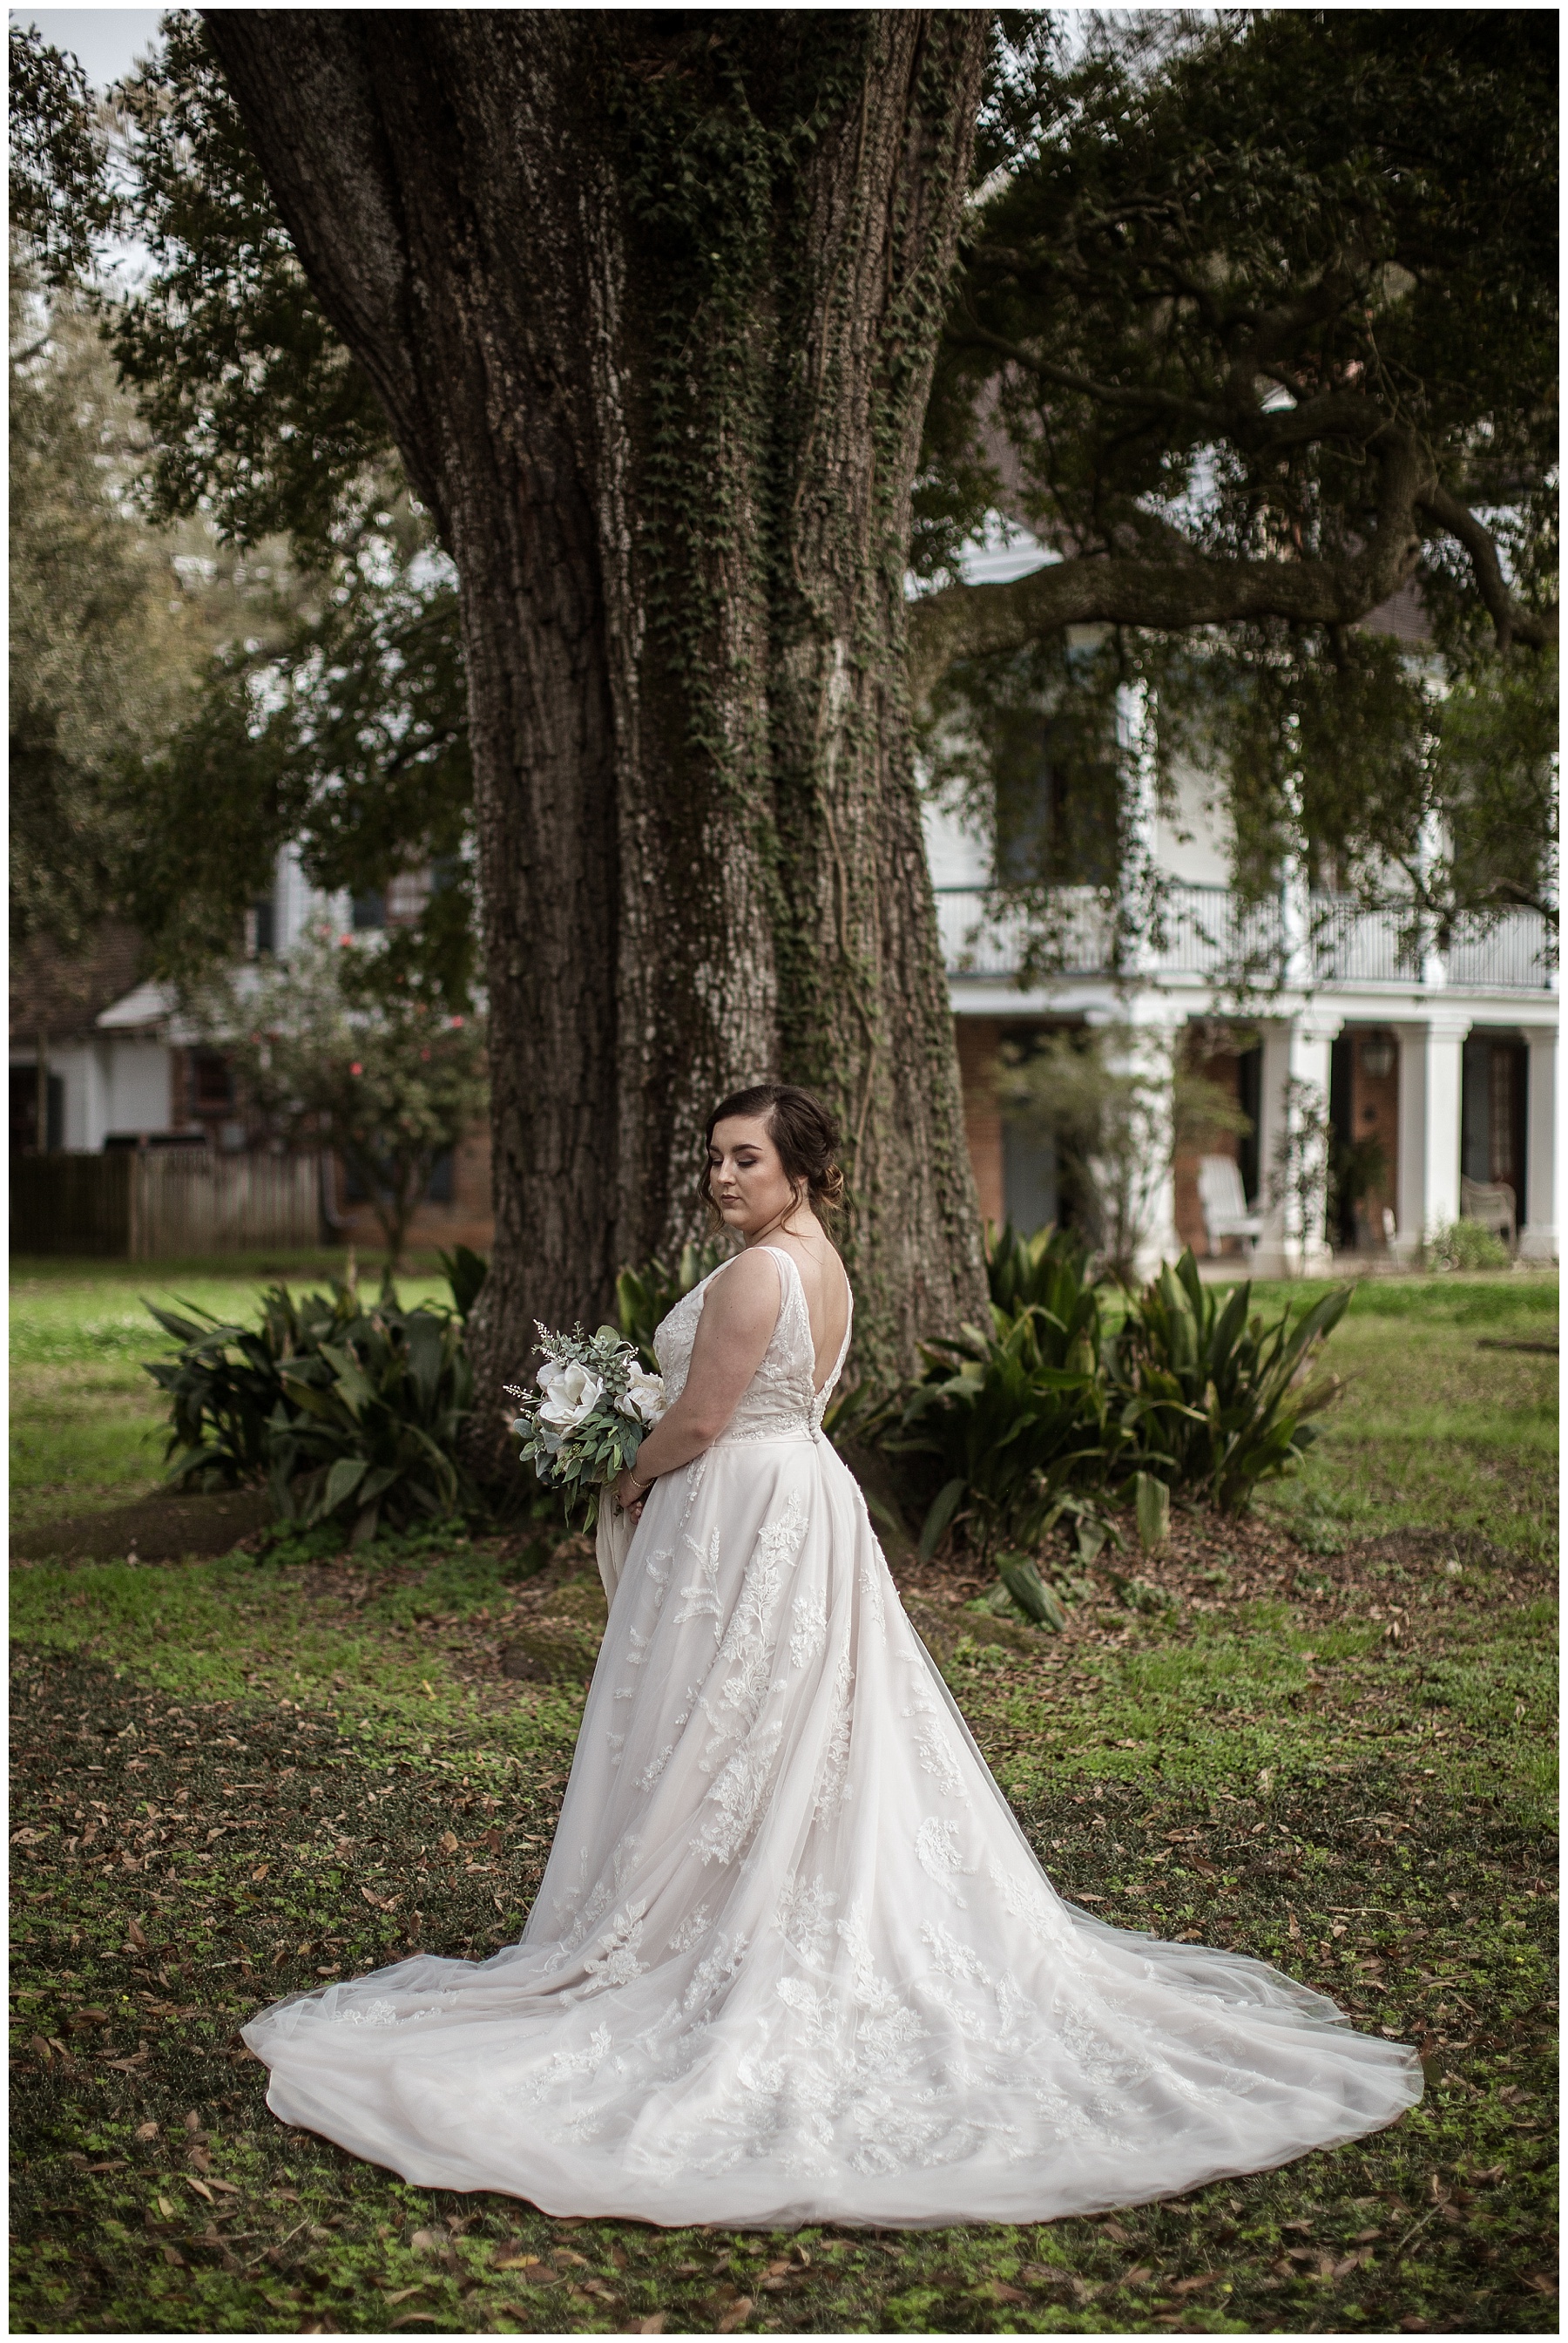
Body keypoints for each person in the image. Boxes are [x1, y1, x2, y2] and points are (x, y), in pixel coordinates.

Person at [241, 1082, 1421, 2225]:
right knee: (780, 1716)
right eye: (713, 1158)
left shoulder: (762, 1268)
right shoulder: (825, 1262)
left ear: (800, 1170)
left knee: (738, 1710)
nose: (721, 1176)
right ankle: (743, 1882)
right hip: (797, 1493)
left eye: (744, 1158)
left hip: (742, 1501)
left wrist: (619, 1464)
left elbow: (702, 1418)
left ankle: (712, 1919)